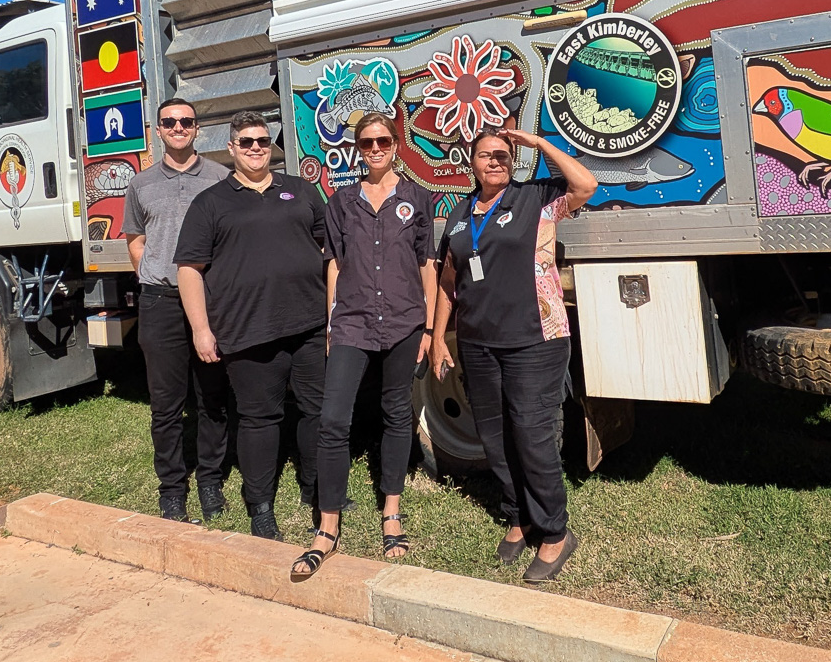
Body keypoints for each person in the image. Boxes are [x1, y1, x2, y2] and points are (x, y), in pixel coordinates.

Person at [429, 127, 596, 583]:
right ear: (472, 163)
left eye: (503, 155)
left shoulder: (537, 198)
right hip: (480, 343)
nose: (495, 162)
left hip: (534, 339)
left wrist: (540, 145)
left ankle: (555, 533)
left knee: (531, 434)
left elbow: (586, 185)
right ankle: (518, 516)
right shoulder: (460, 214)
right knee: (495, 436)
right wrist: (439, 335)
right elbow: (449, 279)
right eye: (486, 156)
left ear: (514, 159)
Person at [292, 113, 437, 578]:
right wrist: (333, 325)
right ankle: (327, 527)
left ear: (396, 144)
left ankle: (390, 514)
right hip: (352, 321)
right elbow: (334, 264)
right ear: (357, 148)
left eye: (383, 141)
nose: (375, 148)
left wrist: (430, 329)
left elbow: (426, 265)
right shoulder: (342, 203)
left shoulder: (417, 199)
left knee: (397, 414)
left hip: (403, 322)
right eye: (367, 142)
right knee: (333, 419)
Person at [175, 111, 329, 541]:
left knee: (316, 412)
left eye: (262, 140)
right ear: (231, 148)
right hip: (248, 330)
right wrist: (201, 329)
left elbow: (328, 245)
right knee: (261, 419)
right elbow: (189, 268)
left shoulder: (298, 190)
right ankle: (260, 505)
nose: (256, 148)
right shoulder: (211, 202)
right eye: (246, 142)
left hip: (310, 324)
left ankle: (314, 487)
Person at [119, 97, 231, 523]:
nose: (179, 127)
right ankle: (172, 488)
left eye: (186, 121)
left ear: (197, 129)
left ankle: (210, 481)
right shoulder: (141, 184)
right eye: (170, 122)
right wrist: (155, 274)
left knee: (212, 397)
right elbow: (136, 241)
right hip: (161, 302)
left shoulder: (221, 178)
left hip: (210, 302)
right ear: (159, 129)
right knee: (166, 404)